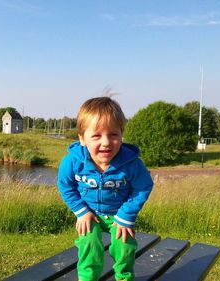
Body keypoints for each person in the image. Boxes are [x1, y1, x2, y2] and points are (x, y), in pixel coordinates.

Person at [57, 96, 153, 281]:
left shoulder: (131, 164)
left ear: (121, 135)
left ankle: (124, 277)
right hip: (89, 214)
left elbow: (143, 187)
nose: (106, 142)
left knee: (124, 245)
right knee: (89, 243)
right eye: (96, 136)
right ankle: (88, 278)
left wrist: (126, 215)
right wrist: (81, 211)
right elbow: (65, 185)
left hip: (118, 215)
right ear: (82, 138)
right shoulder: (73, 161)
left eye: (113, 134)